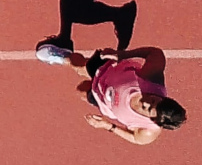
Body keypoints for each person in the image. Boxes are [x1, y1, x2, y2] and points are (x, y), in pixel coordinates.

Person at [57, 47, 188, 144]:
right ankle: (61, 55)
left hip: (103, 99)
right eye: (153, 100)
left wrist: (108, 126)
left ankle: (90, 82)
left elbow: (136, 138)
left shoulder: (149, 130)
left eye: (147, 109)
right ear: (162, 98)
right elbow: (155, 53)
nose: (146, 102)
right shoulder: (151, 79)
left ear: (154, 121)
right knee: (79, 66)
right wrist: (123, 55)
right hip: (107, 70)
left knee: (81, 90)